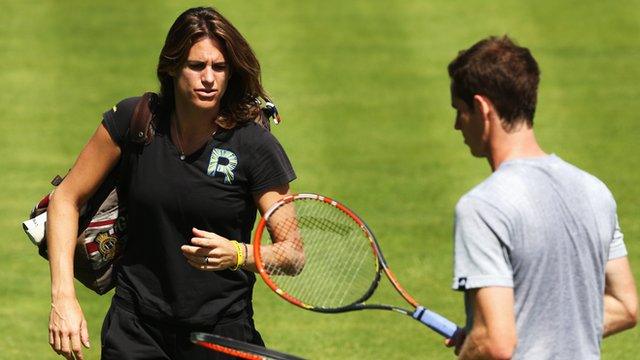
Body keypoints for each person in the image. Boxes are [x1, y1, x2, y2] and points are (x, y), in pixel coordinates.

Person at [46, 7, 296, 360]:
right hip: (136, 329)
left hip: (221, 332)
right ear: (172, 67)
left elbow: (293, 254)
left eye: (219, 67)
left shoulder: (253, 145)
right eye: (197, 66)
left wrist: (237, 253)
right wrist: (64, 298)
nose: (208, 78)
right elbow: (65, 199)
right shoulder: (135, 121)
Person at [444, 36, 637, 359]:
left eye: (460, 111)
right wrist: (509, 329)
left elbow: (496, 343)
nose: (456, 125)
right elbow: (625, 306)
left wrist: (481, 340)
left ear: (482, 108)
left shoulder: (483, 207)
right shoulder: (595, 191)